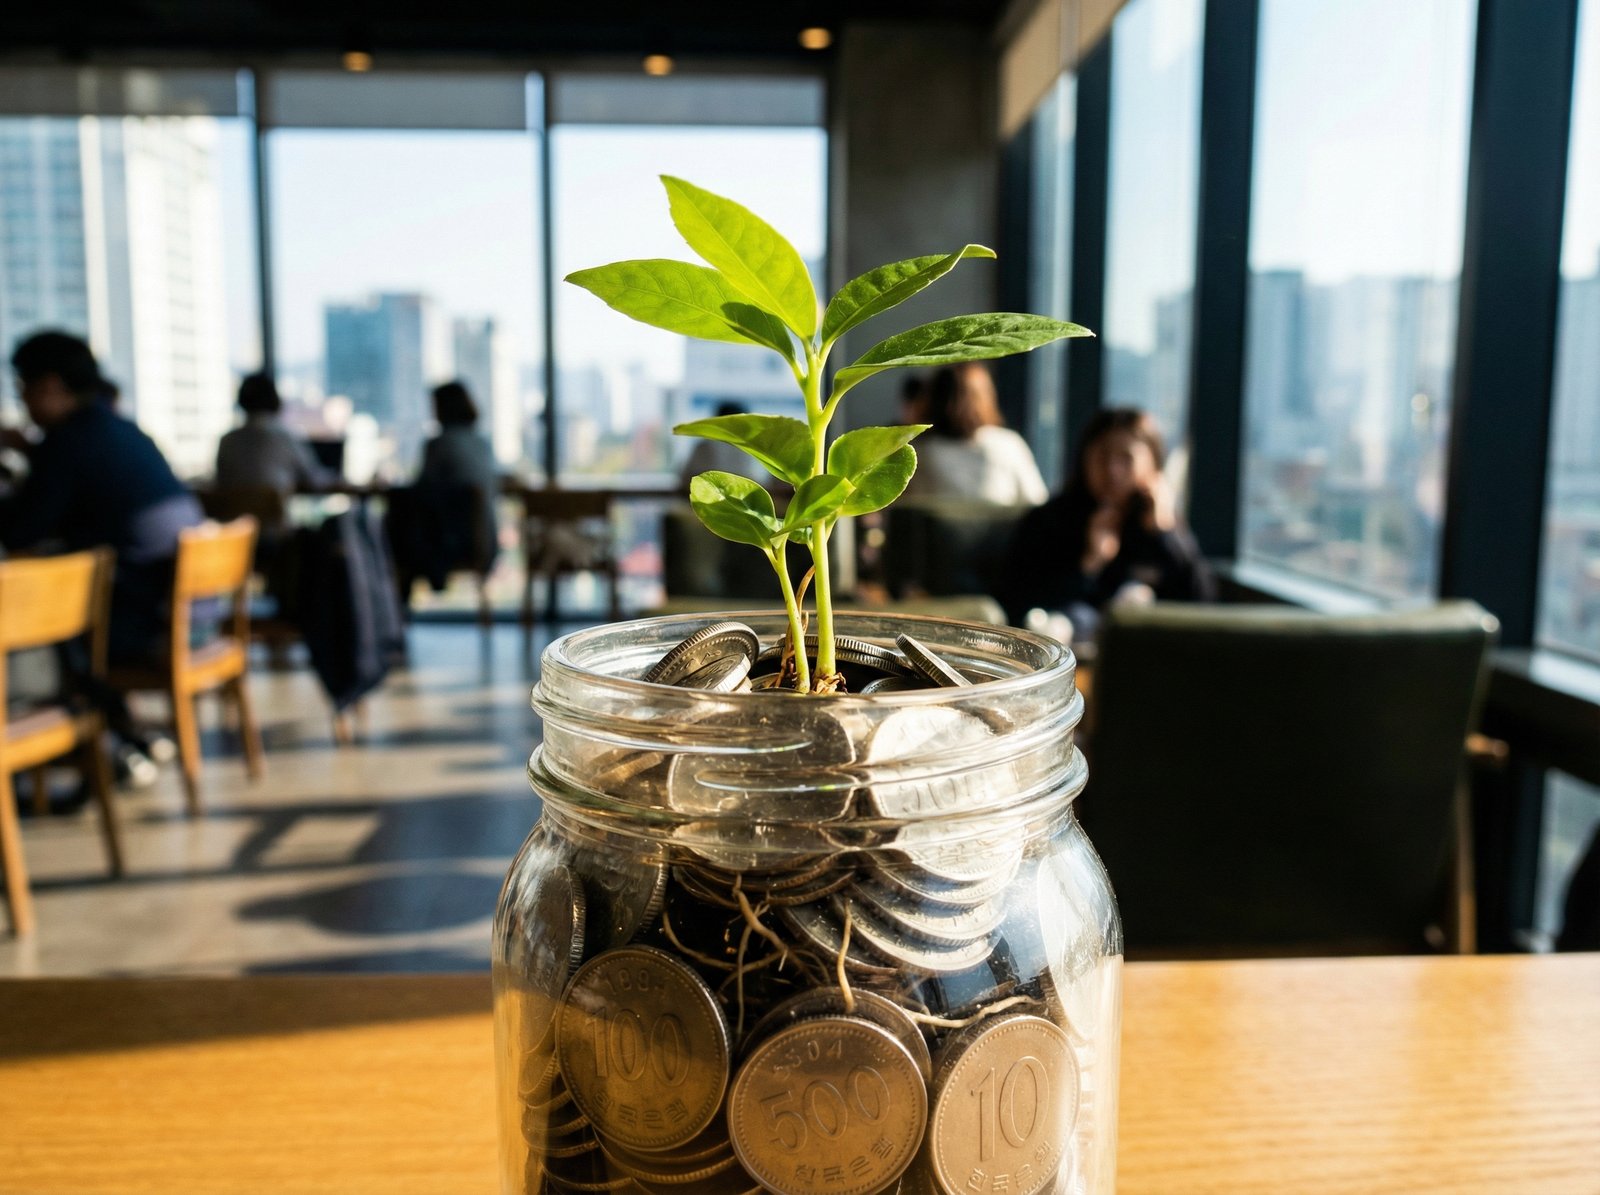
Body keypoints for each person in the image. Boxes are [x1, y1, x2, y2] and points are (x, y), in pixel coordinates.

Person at [1, 330, 205, 773]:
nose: (23, 404)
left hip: (146, 621)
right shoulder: (120, 428)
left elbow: (19, 529)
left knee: (43, 623)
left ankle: (89, 746)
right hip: (194, 613)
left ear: (51, 386)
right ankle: (120, 739)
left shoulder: (66, 443)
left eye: (23, 391)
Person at [999, 407, 1215, 633]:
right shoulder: (1050, 519)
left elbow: (1204, 605)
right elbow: (1019, 600)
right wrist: (1090, 564)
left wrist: (1166, 534)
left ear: (1153, 464)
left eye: (1126, 458)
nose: (1112, 470)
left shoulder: (1160, 526)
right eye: (1102, 456)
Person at [903, 362, 1048, 506]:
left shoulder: (916, 452)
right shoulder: (1008, 446)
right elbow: (1035, 501)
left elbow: (899, 509)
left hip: (931, 529)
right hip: (999, 529)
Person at [215, 373, 329, 499]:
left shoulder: (227, 441)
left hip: (236, 517)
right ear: (276, 400)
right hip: (274, 517)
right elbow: (314, 479)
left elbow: (220, 483)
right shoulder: (284, 437)